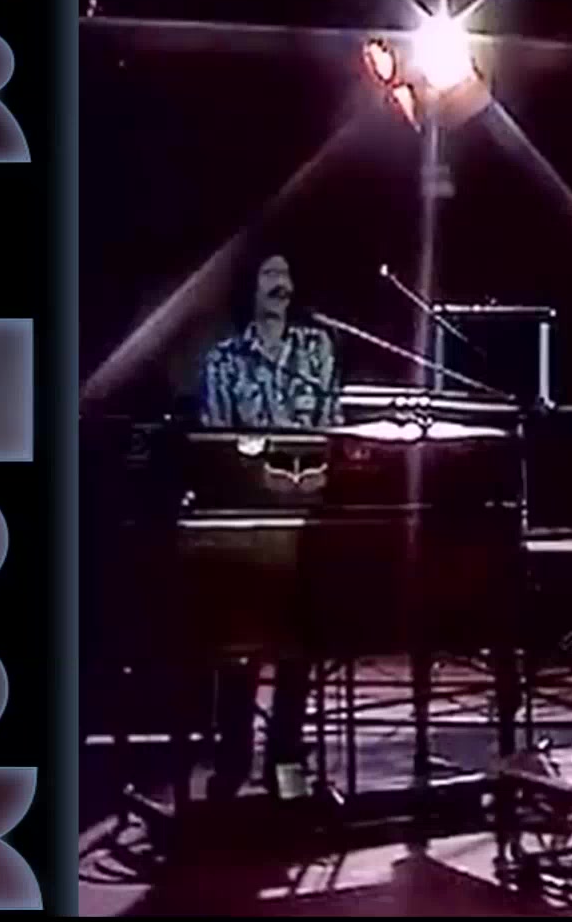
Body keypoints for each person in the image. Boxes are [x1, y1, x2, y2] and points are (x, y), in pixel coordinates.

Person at [198, 250, 342, 799]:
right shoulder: (223, 359)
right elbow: (216, 443)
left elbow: (330, 427)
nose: (280, 284)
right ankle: (233, 756)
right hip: (246, 518)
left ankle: (286, 753)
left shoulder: (317, 347)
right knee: (239, 645)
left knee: (299, 644)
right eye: (269, 274)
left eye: (286, 274)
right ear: (250, 287)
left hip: (305, 514)